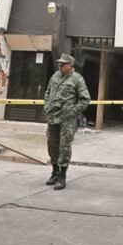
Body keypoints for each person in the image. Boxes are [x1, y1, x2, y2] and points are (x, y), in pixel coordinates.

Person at [42, 53, 89, 191]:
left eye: (63, 64)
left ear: (70, 65)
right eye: (59, 63)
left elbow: (85, 99)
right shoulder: (55, 76)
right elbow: (47, 92)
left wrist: (72, 111)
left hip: (67, 120)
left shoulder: (77, 79)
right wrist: (46, 106)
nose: (60, 66)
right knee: (52, 145)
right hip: (52, 117)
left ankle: (62, 176)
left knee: (65, 147)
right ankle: (54, 172)